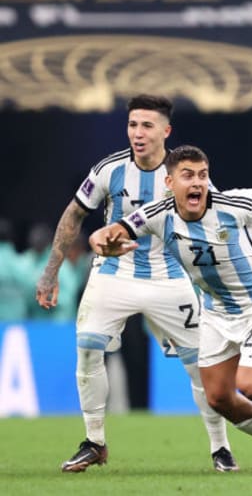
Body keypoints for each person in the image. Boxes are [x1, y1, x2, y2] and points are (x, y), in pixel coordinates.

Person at [34, 95, 235, 472]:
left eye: (146, 126)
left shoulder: (186, 172)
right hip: (114, 273)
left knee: (201, 366)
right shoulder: (110, 170)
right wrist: (51, 271)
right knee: (89, 349)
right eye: (132, 125)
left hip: (170, 276)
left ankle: (220, 448)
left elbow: (216, 222)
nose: (138, 133)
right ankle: (95, 441)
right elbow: (74, 213)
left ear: (165, 131)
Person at [86, 145, 252, 472]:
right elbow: (115, 230)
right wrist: (100, 239)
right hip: (217, 309)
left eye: (203, 175)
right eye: (187, 176)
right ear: (169, 182)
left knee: (251, 384)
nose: (197, 184)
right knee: (218, 398)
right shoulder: (156, 213)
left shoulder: (231, 203)